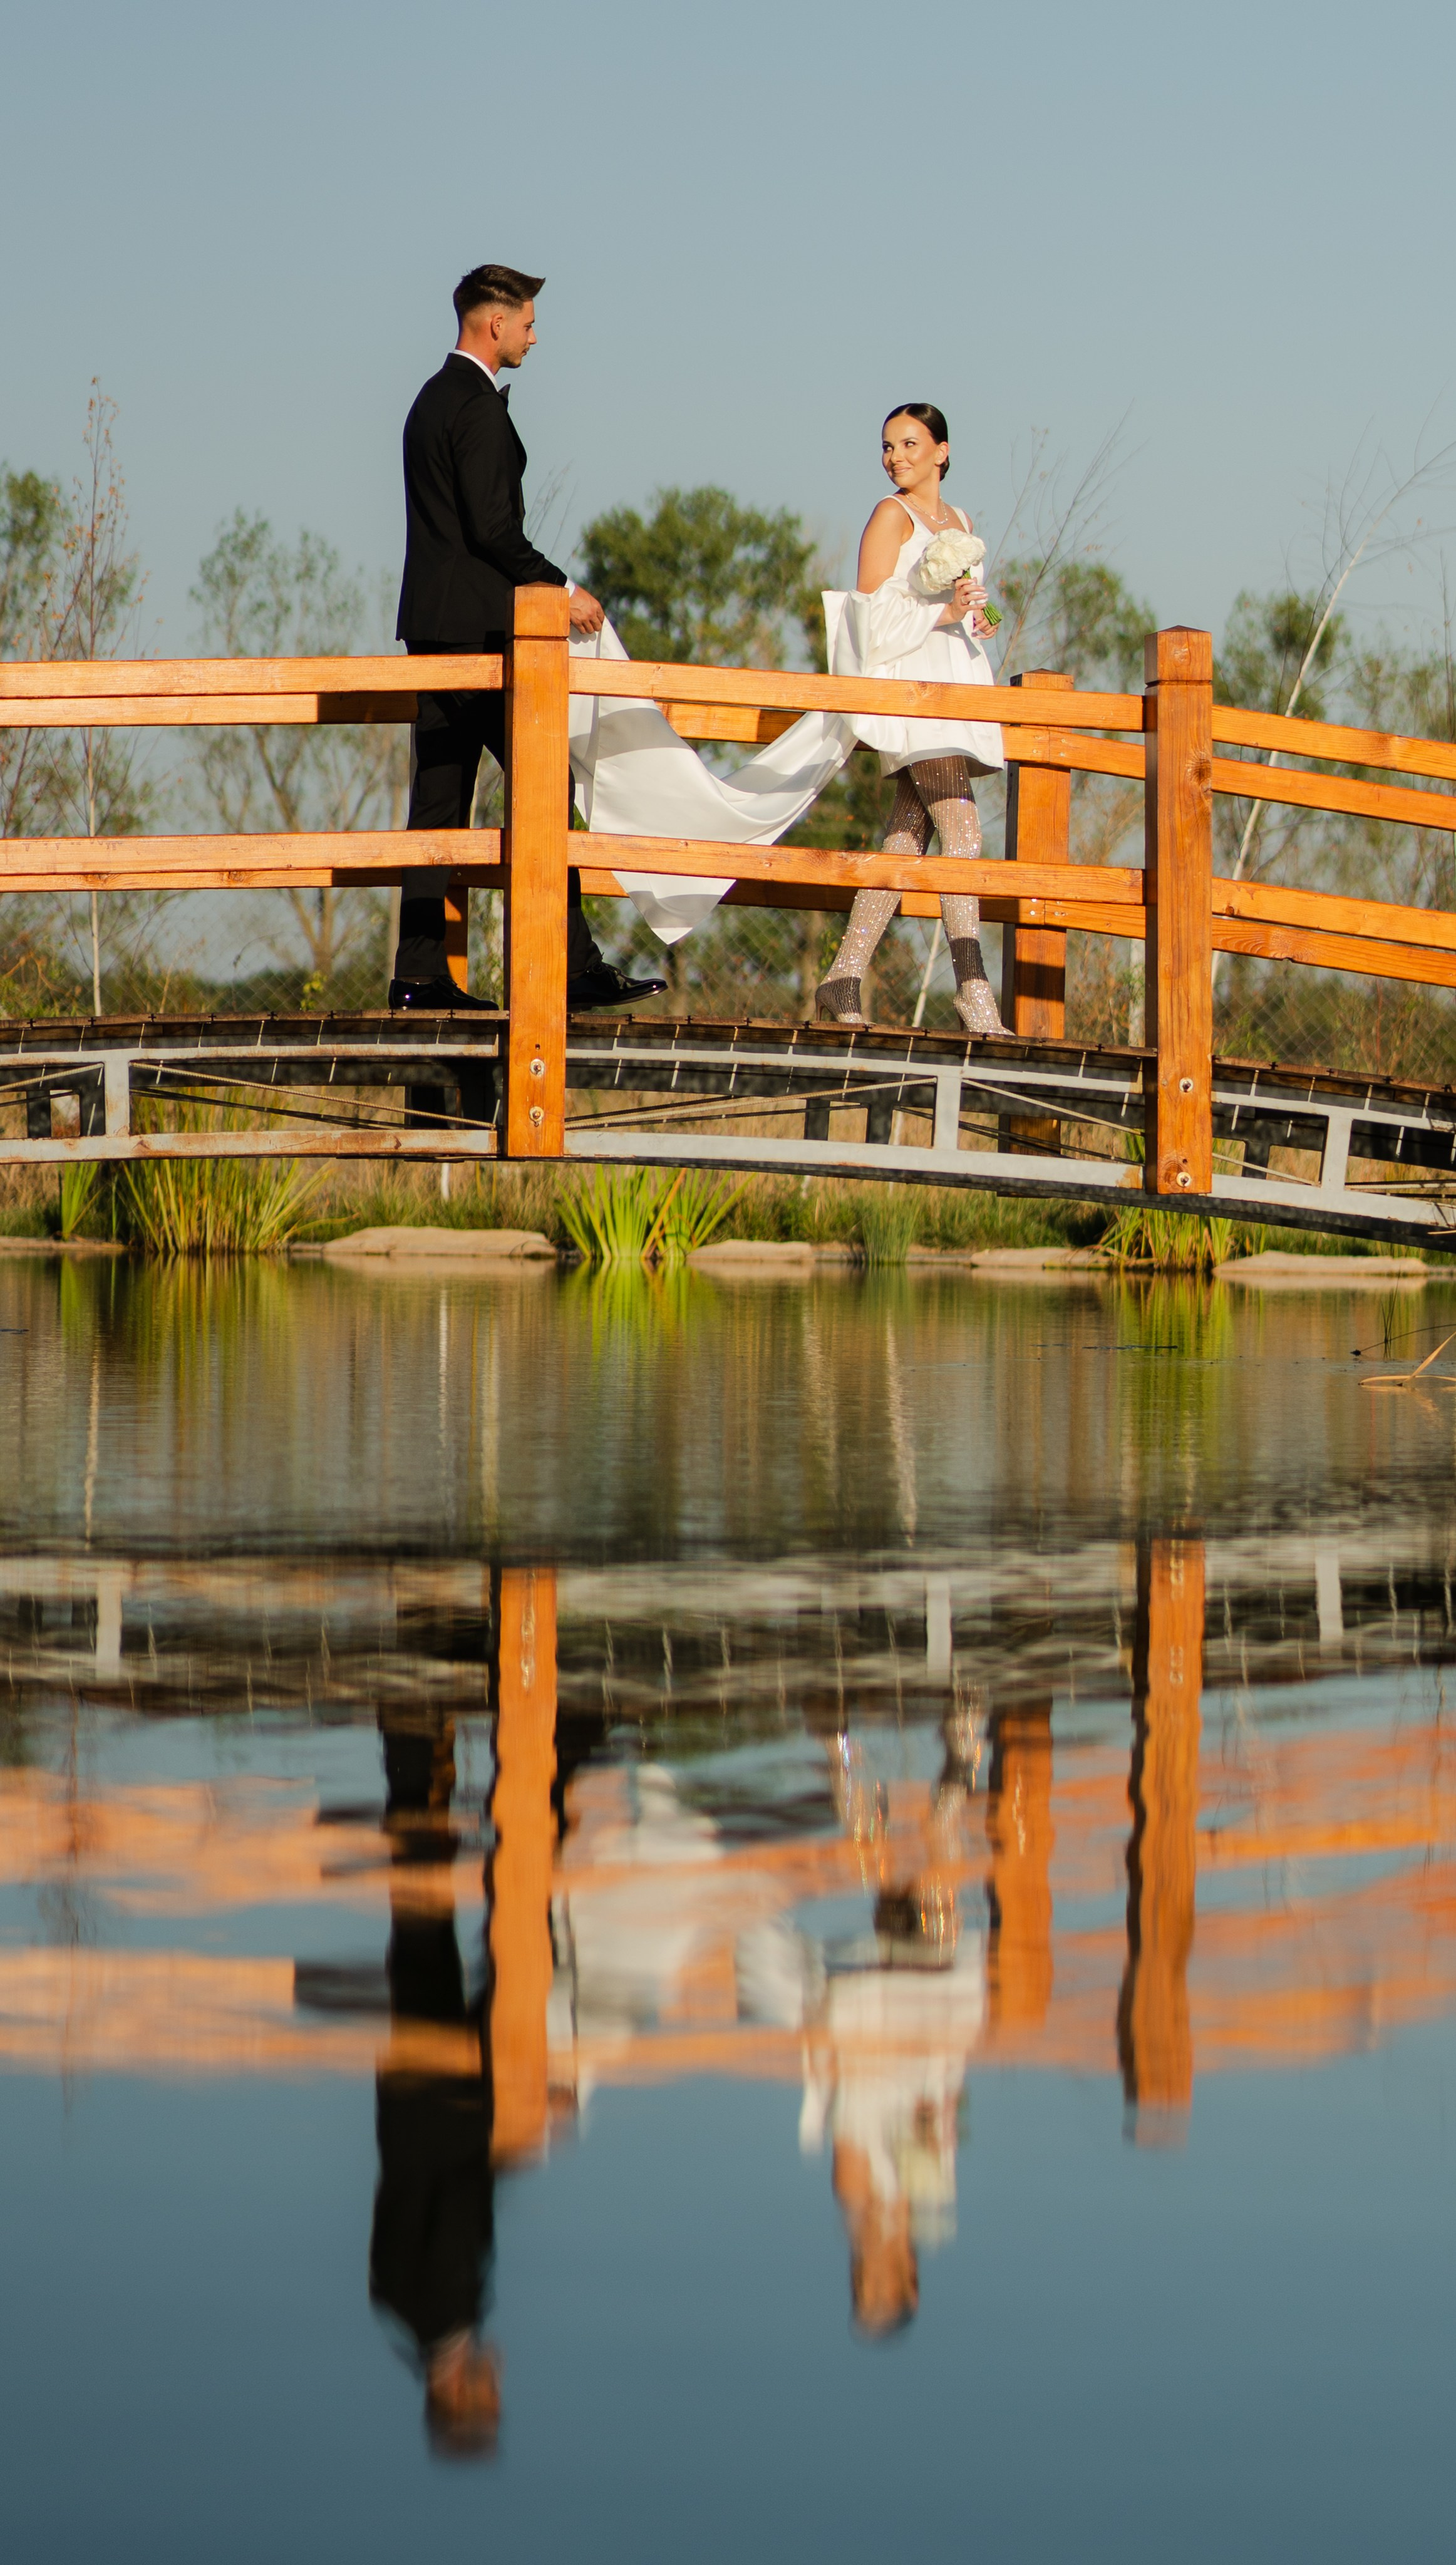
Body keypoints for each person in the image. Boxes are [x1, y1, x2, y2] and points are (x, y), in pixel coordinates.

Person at [390, 262, 665, 1013]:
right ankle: (569, 968)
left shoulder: (428, 400)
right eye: (530, 324)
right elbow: (493, 532)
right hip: (481, 636)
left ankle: (417, 977)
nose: (536, 338)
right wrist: (566, 591)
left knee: (439, 807)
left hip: (433, 628)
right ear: (495, 324)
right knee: (546, 789)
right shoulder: (475, 408)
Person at [815, 405, 1008, 1035]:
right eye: (888, 445)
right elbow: (864, 618)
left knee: (906, 838)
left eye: (909, 443)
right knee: (966, 833)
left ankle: (843, 976)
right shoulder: (888, 515)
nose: (896, 456)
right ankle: (975, 992)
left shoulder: (963, 522)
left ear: (942, 452)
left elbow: (956, 605)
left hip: (956, 684)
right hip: (916, 692)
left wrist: (973, 616)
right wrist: (940, 614)